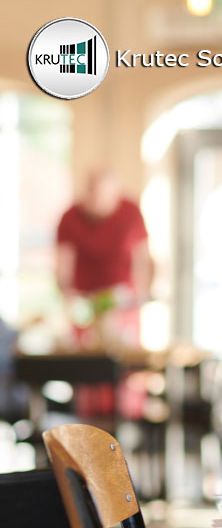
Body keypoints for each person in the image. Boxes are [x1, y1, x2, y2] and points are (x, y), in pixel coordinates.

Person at [55, 168, 153, 420]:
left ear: (115, 193)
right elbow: (62, 266)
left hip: (123, 304)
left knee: (126, 369)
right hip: (86, 307)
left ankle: (128, 422)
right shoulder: (70, 217)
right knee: (88, 371)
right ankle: (88, 424)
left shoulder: (130, 212)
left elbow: (143, 258)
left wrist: (141, 294)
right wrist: (69, 297)